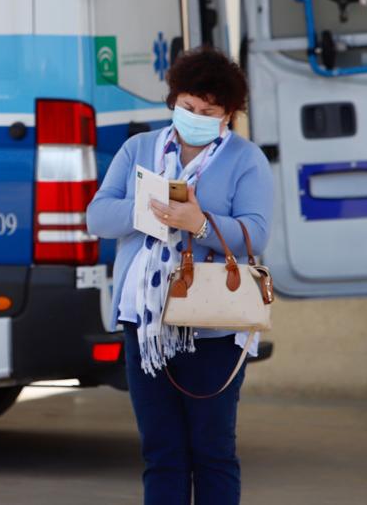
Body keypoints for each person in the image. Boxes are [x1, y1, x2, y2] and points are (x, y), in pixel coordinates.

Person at [86, 48, 274, 505]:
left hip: (212, 326)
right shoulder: (139, 149)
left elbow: (257, 234)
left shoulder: (246, 159)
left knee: (212, 452)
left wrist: (200, 223)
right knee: (161, 452)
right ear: (174, 99)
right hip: (144, 324)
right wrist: (147, 210)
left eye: (209, 112)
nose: (196, 117)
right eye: (189, 107)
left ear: (227, 115)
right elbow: (97, 216)